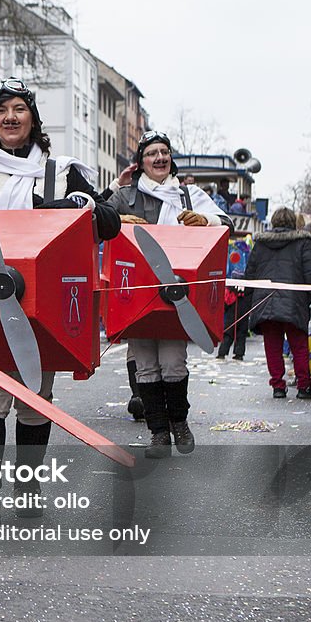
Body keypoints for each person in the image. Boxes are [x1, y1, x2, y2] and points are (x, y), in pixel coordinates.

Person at [0, 77, 120, 525]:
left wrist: (78, 204)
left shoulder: (62, 170)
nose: (11, 117)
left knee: (34, 396)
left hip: (43, 308)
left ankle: (27, 486)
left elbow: (110, 222)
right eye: (2, 110)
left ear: (33, 118)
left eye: (19, 109)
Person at [103, 130, 232, 458]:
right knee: (146, 365)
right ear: (141, 161)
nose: (159, 158)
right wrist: (116, 217)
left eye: (164, 152)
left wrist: (204, 219)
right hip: (137, 293)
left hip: (177, 293)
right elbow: (94, 217)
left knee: (174, 363)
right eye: (152, 153)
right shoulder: (127, 195)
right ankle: (158, 432)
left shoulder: (189, 194)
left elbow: (226, 221)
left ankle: (179, 423)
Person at [242, 206, 311, 401]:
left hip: (265, 300)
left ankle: (277, 385)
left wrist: (250, 300)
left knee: (272, 345)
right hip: (295, 299)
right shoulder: (303, 242)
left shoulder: (260, 244)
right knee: (299, 345)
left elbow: (250, 273)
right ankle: (304, 385)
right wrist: (310, 299)